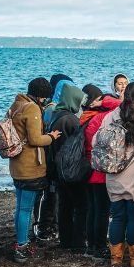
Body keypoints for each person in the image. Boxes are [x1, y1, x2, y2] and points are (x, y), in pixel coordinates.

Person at [9, 77, 60, 264]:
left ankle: (20, 241)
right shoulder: (32, 108)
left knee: (20, 207)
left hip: (16, 164)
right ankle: (21, 246)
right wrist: (52, 137)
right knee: (26, 208)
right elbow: (35, 139)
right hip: (30, 166)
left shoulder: (16, 104)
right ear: (41, 96)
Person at [103, 82, 134, 267]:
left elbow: (96, 141)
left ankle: (115, 258)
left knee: (117, 218)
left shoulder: (109, 117)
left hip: (113, 176)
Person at [80, 84, 117, 261]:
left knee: (93, 209)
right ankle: (99, 246)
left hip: (87, 168)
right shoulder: (102, 117)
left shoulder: (86, 116)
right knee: (102, 211)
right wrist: (107, 100)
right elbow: (123, 105)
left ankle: (91, 246)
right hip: (100, 170)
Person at [48, 84, 87, 251]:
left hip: (58, 169)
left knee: (64, 206)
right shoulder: (70, 120)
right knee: (80, 206)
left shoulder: (56, 115)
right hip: (70, 170)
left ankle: (65, 241)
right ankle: (78, 243)